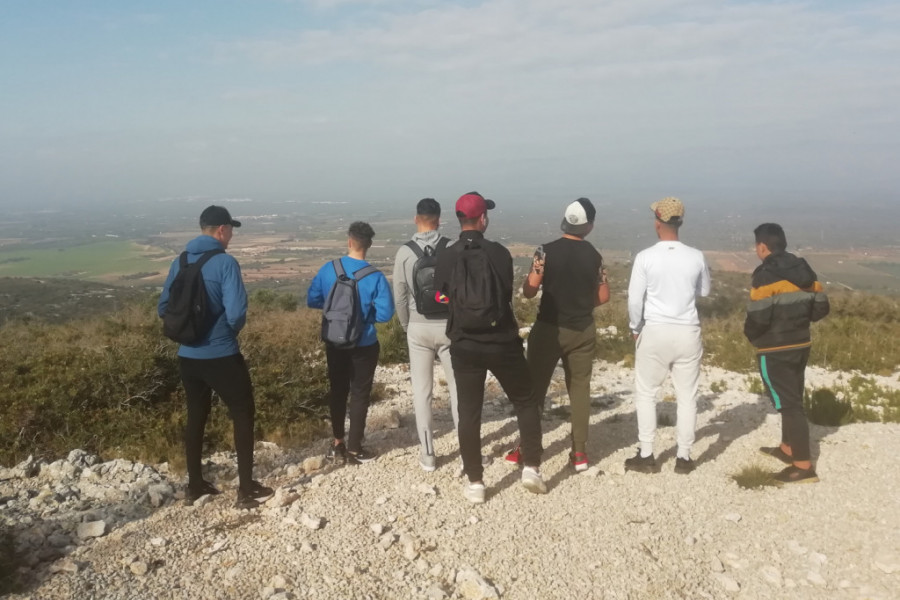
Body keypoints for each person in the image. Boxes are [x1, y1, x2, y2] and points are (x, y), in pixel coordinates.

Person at [158, 205, 273, 509]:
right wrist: (224, 333)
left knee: (196, 416)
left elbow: (163, 308)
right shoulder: (225, 263)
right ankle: (246, 489)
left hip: (187, 356)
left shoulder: (179, 261)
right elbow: (236, 312)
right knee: (242, 412)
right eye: (231, 230)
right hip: (221, 353)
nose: (231, 235)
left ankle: (195, 484)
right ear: (222, 230)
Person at [434, 191, 545, 503]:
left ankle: (476, 482)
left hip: (464, 344)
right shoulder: (499, 253)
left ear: (459, 219)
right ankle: (532, 467)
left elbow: (440, 297)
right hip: (502, 341)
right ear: (482, 218)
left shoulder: (447, 255)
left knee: (469, 411)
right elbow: (506, 292)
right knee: (525, 400)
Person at [506, 198, 609, 472]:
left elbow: (530, 289)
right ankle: (579, 453)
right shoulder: (595, 255)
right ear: (589, 226)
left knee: (535, 390)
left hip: (549, 328)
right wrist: (583, 305)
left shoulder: (545, 252)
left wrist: (528, 288)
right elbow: (603, 295)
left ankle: (526, 448)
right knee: (579, 390)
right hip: (583, 329)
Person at [625, 197, 710, 474]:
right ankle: (683, 457)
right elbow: (704, 292)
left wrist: (635, 328)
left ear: (658, 222)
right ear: (680, 222)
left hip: (655, 330)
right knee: (687, 396)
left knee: (647, 393)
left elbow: (635, 300)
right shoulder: (696, 256)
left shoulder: (646, 257)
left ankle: (647, 452)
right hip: (688, 331)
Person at [745, 223, 829, 484]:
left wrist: (753, 336)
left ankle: (803, 466)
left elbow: (757, 317)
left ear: (762, 246)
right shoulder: (804, 269)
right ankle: (787, 448)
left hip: (774, 348)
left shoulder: (765, 275)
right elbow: (821, 308)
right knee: (794, 395)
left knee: (790, 405)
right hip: (801, 344)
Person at [307, 221, 394, 465]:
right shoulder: (375, 276)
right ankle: (355, 448)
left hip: (334, 341)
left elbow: (312, 299)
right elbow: (386, 314)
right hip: (364, 343)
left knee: (337, 390)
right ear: (369, 245)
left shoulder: (328, 269)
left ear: (349, 241)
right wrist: (364, 320)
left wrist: (335, 313)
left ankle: (337, 443)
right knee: (359, 394)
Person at [391, 198, 460, 472]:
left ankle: (428, 455)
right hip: (449, 326)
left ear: (415, 218)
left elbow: (399, 296)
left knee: (422, 392)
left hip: (418, 328)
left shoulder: (404, 253)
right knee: (458, 389)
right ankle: (467, 453)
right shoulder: (452, 248)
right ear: (439, 219)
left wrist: (408, 326)